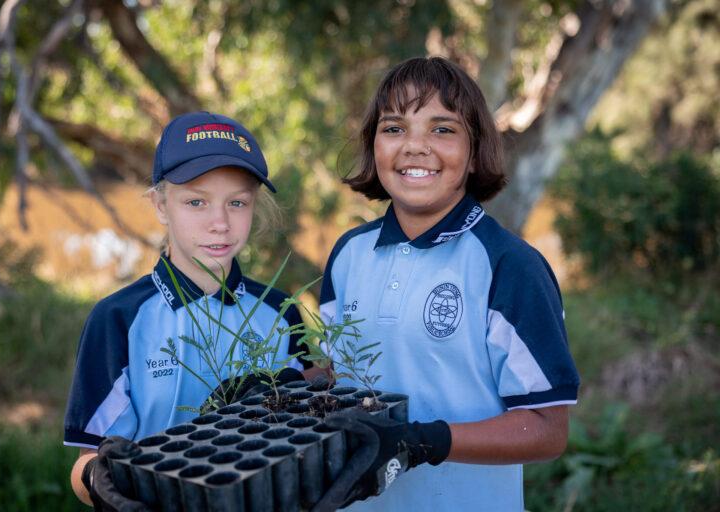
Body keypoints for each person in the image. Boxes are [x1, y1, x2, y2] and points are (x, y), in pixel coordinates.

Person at [315, 57, 581, 512]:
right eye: (394, 128)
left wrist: (426, 441)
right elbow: (340, 376)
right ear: (372, 145)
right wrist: (286, 386)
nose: (415, 146)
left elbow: (546, 428)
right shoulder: (348, 255)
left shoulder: (509, 265)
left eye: (442, 129)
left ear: (475, 150)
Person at [63, 111, 314, 510]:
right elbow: (86, 461)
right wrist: (102, 483)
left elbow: (310, 421)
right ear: (161, 206)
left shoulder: (280, 312)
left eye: (237, 202)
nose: (220, 223)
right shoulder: (118, 320)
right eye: (196, 201)